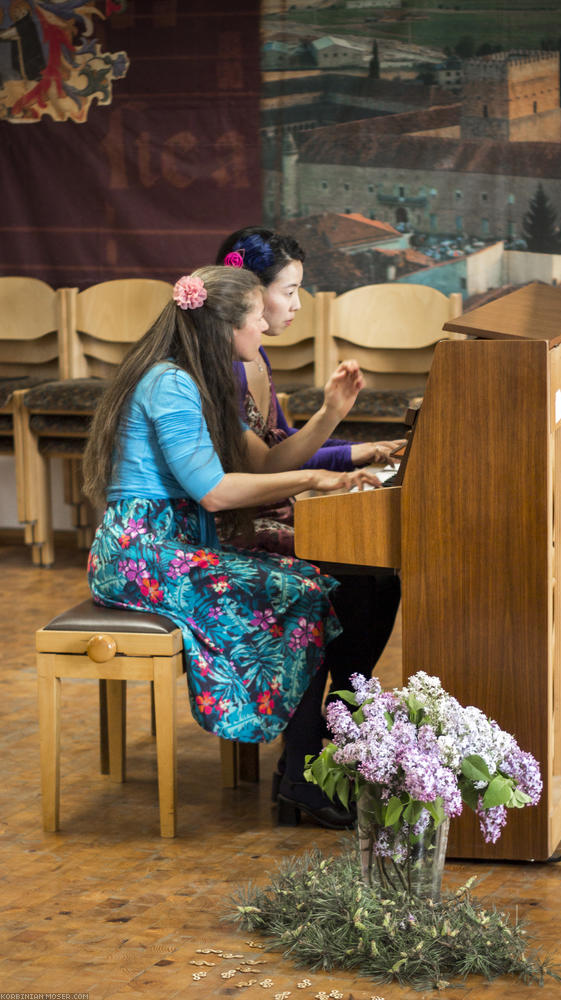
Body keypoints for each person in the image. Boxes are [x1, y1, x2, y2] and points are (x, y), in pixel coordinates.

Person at [82, 265, 380, 830]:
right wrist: (312, 481)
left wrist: (326, 427)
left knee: (313, 583)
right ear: (223, 328)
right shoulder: (169, 383)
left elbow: (249, 470)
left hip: (170, 543)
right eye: (254, 320)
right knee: (299, 589)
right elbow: (215, 493)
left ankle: (304, 768)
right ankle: (303, 772)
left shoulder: (194, 379)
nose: (264, 330)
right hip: (138, 554)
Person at [215, 228, 403, 748]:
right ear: (250, 292)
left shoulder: (255, 355)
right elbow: (268, 465)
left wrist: (359, 450)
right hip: (234, 522)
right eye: (290, 290)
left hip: (266, 504)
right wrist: (331, 415)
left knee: (381, 577)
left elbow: (282, 440)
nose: (298, 305)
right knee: (353, 576)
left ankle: (341, 728)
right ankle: (317, 748)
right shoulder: (224, 366)